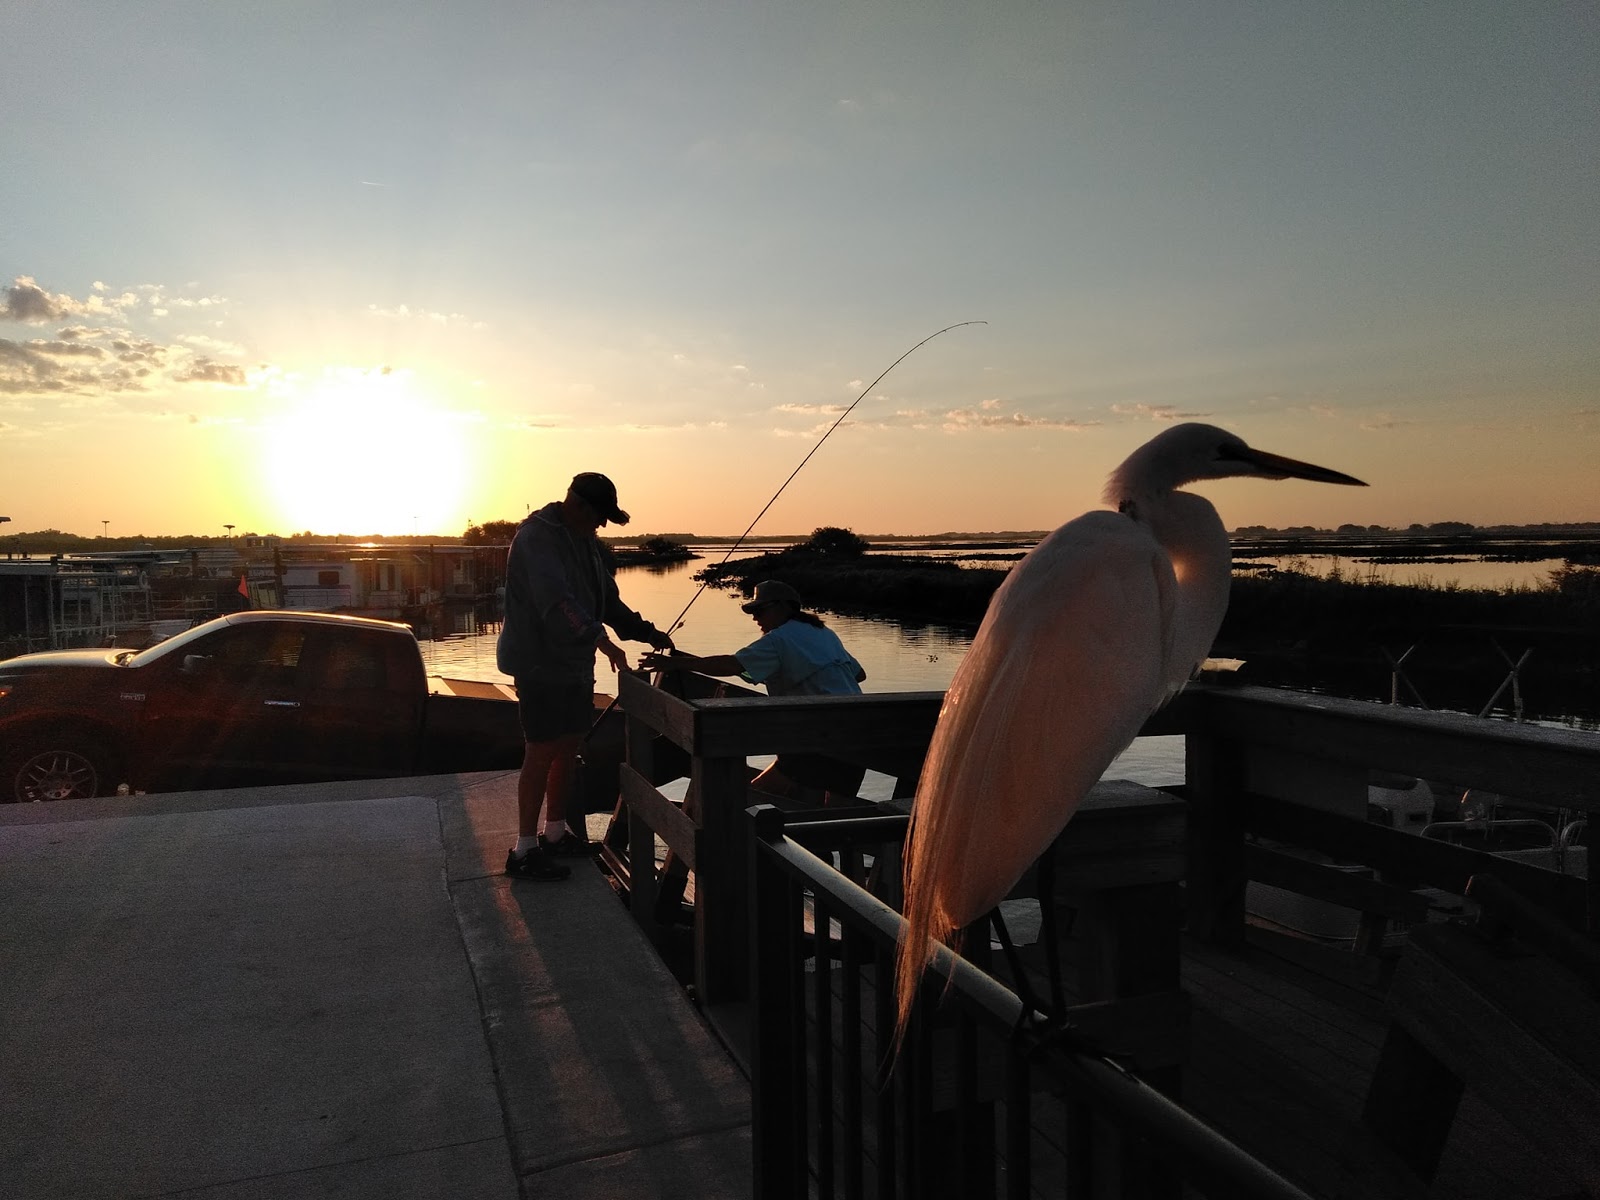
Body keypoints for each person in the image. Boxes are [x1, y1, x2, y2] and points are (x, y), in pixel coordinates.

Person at [497, 472, 674, 880]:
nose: (602, 525)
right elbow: (556, 601)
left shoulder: (586, 543)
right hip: (538, 664)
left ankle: (556, 834)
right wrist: (604, 641)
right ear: (578, 505)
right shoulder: (536, 537)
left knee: (569, 748)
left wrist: (645, 632)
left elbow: (607, 601)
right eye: (600, 516)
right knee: (540, 750)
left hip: (575, 666)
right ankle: (524, 850)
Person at [641, 579, 867, 804]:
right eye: (752, 612)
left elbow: (732, 665)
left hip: (817, 734)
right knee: (836, 817)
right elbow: (859, 674)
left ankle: (720, 832)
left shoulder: (779, 639)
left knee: (748, 799)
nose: (755, 617)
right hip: (860, 733)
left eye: (759, 610)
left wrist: (675, 664)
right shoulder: (824, 633)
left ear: (783, 607)